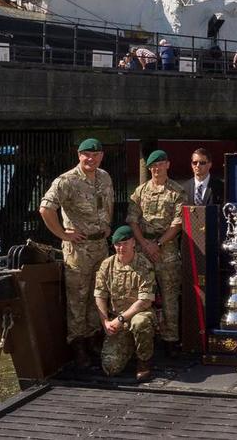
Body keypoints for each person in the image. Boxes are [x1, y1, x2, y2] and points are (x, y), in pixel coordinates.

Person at [38, 137, 114, 368]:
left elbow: (106, 205)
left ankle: (93, 338)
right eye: (86, 155)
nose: (90, 159)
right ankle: (78, 344)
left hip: (101, 246)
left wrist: (106, 226)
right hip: (78, 250)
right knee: (77, 298)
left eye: (95, 154)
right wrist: (62, 234)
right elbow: (45, 208)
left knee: (98, 293)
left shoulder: (104, 176)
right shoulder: (66, 181)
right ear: (79, 155)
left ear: (101, 155)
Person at [127, 150, 186, 355]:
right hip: (143, 248)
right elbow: (133, 220)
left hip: (166, 250)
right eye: (153, 166)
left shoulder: (177, 191)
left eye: (161, 164)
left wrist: (158, 244)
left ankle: (171, 340)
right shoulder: (140, 191)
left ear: (168, 165)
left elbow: (178, 223)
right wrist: (144, 243)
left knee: (169, 296)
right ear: (149, 168)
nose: (157, 168)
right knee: (140, 294)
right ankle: (143, 338)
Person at [94, 225, 157, 381]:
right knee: (110, 367)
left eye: (125, 243)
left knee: (140, 322)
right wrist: (106, 323)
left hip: (138, 314)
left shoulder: (144, 265)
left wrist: (121, 319)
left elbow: (144, 301)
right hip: (116, 321)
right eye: (117, 244)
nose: (121, 247)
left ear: (133, 243)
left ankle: (144, 362)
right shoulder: (107, 265)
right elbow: (100, 295)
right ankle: (128, 347)